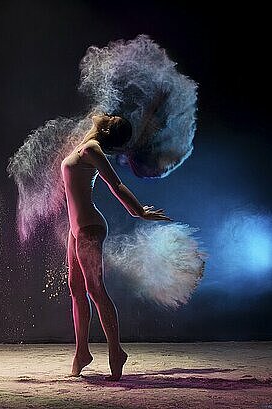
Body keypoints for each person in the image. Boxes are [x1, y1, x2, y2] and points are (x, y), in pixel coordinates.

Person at [61, 107, 171, 381]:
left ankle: (115, 351)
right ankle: (82, 352)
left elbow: (116, 185)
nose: (106, 114)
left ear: (107, 129)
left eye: (111, 119)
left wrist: (139, 211)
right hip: (76, 230)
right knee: (76, 290)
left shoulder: (92, 150)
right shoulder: (87, 145)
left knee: (95, 290)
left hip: (89, 228)